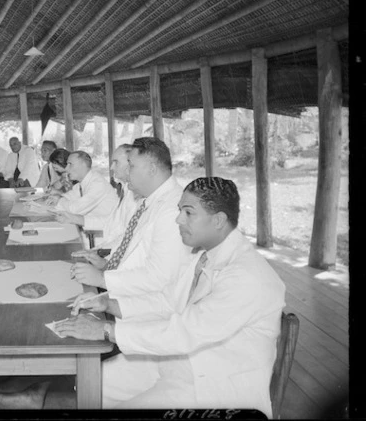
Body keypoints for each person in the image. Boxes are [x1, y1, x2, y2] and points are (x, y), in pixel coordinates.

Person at [55, 177, 286, 416]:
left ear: (218, 220)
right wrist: (109, 304)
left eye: (188, 213)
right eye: (179, 211)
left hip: (212, 386)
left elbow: (185, 332)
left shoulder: (248, 276)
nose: (178, 219)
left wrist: (107, 331)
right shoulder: (204, 255)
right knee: (86, 385)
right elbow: (167, 301)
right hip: (174, 362)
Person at [68, 137, 192, 298]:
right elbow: (131, 248)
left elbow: (161, 279)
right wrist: (106, 265)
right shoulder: (149, 200)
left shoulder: (173, 210)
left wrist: (102, 279)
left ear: (152, 169)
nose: (127, 171)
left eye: (131, 166)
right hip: (123, 284)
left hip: (143, 301)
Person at [56, 144, 138, 250]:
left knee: (63, 245)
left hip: (102, 238)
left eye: (116, 162)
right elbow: (112, 222)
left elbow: (74, 208)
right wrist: (75, 218)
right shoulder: (125, 189)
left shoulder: (98, 183)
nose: (111, 167)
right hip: (103, 235)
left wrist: (60, 201)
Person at [47, 151, 117, 218]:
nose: (67, 169)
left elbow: (75, 209)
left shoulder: (98, 184)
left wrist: (59, 200)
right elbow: (70, 197)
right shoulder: (82, 183)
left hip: (102, 228)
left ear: (83, 165)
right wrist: (57, 198)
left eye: (70, 164)